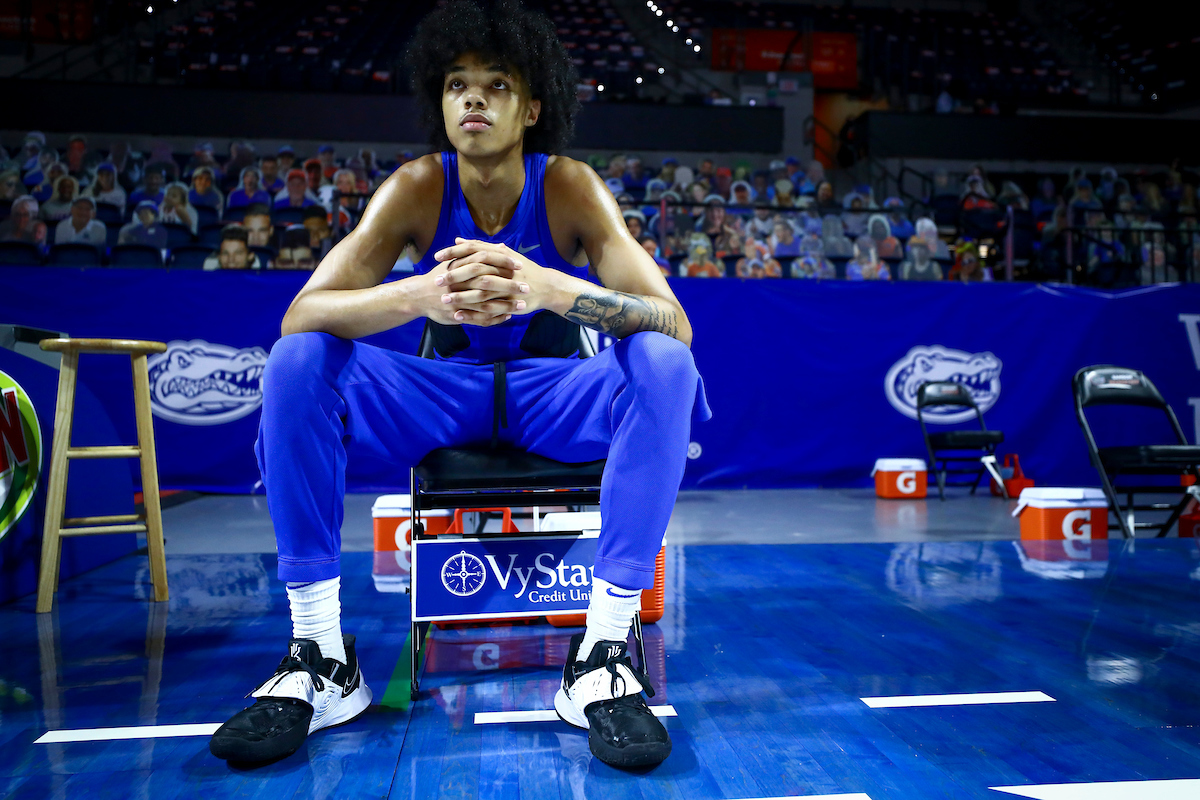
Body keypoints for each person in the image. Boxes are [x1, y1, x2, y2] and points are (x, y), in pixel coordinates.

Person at [208, 0, 705, 772]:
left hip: (551, 393)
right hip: (441, 395)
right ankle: (321, 658)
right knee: (298, 360)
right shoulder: (415, 188)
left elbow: (674, 322)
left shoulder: (568, 187)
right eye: (457, 85)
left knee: (666, 364)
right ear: (439, 101)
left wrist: (549, 289)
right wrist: (417, 297)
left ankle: (603, 656)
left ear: (532, 106)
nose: (473, 99)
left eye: (496, 85)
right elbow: (301, 312)